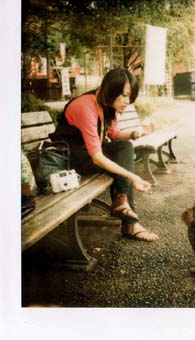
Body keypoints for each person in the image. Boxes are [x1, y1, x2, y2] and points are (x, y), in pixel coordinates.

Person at [50, 68, 159, 242]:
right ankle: (129, 221)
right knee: (120, 161)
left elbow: (115, 134)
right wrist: (132, 176)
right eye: (123, 95)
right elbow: (97, 158)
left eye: (130, 97)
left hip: (88, 154)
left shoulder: (107, 104)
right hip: (70, 159)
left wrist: (139, 132)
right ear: (111, 89)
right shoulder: (85, 106)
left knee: (124, 147)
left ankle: (121, 200)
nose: (127, 101)